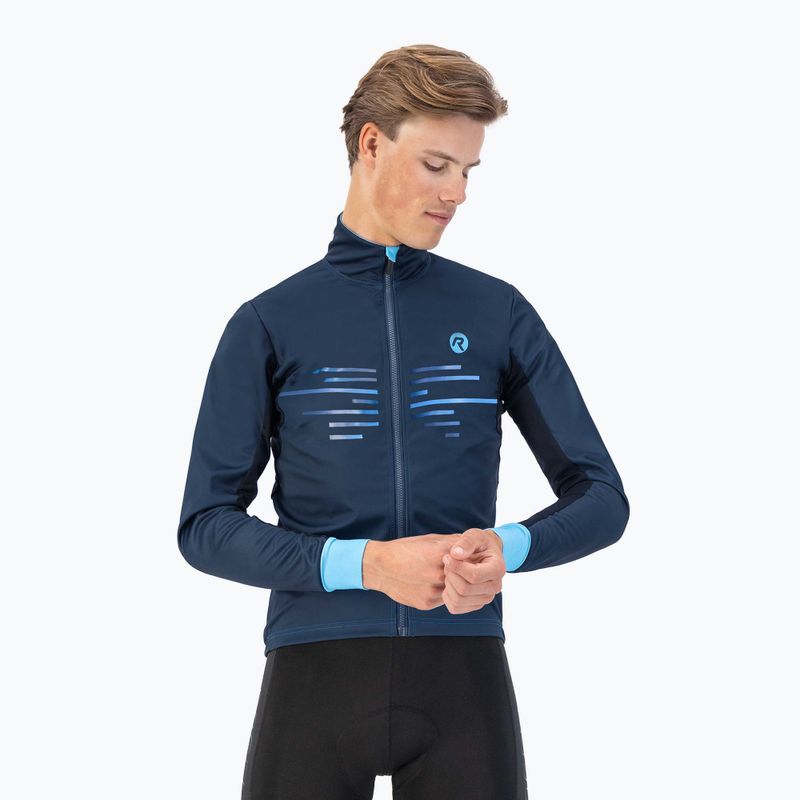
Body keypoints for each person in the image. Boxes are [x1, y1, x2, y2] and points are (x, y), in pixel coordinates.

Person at [177, 43, 630, 800]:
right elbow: (205, 526)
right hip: (313, 678)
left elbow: (602, 497)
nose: (458, 193)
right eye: (436, 164)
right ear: (371, 144)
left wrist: (507, 548)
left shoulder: (497, 313)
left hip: (464, 680)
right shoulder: (269, 322)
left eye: (469, 170)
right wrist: (366, 565)